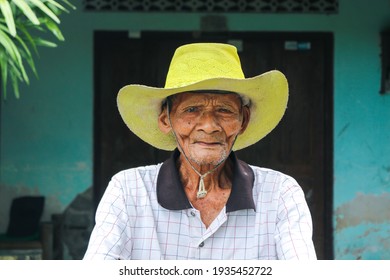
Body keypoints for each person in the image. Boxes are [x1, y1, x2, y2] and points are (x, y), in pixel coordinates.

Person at [83, 43, 317, 260]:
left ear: (243, 120)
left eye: (224, 110)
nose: (209, 126)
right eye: (192, 109)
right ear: (166, 120)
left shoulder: (280, 194)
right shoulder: (128, 190)